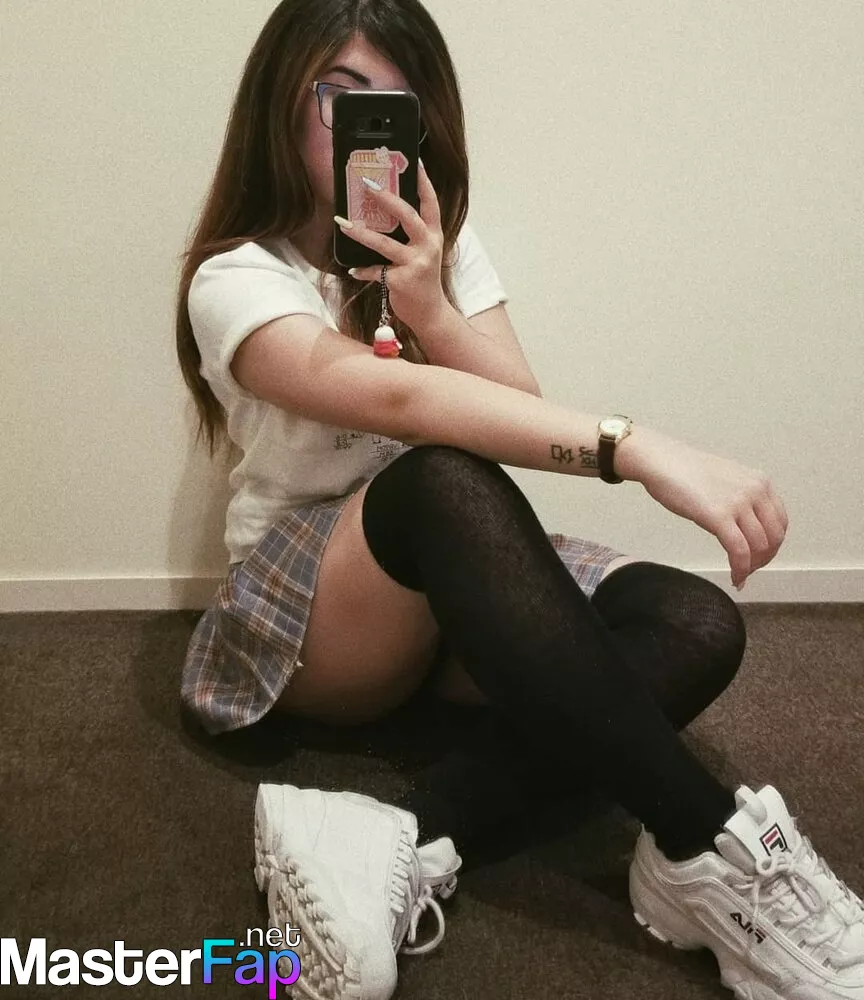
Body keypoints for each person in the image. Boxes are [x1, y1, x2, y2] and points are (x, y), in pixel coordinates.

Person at [175, 2, 864, 998]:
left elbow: (517, 406)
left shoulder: (441, 250)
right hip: (317, 613)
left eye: (396, 106)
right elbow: (404, 403)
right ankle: (709, 845)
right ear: (279, 102)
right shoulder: (237, 278)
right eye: (339, 98)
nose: (369, 133)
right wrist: (639, 448)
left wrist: (429, 305)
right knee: (440, 477)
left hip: (447, 580)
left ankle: (399, 830)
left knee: (695, 622)